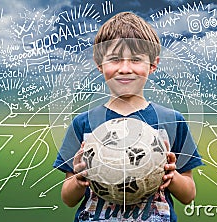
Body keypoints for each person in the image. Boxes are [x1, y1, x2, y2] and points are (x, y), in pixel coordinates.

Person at [53, 11, 203, 221]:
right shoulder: (83, 124)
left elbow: (189, 195)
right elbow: (68, 199)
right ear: (99, 63)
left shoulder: (173, 121)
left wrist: (172, 176)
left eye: (135, 59)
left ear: (153, 64)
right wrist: (79, 179)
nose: (125, 69)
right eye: (114, 59)